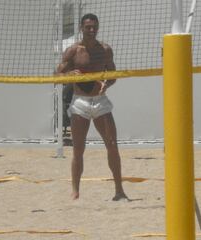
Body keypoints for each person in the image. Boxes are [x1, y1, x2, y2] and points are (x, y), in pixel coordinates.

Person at [56, 13, 127, 201]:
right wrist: (70, 74)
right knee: (78, 149)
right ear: (81, 28)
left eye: (94, 26)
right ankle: (75, 190)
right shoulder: (73, 51)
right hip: (80, 102)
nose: (91, 30)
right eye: (88, 27)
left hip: (100, 101)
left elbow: (113, 74)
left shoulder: (105, 50)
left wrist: (107, 83)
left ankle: (119, 190)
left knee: (112, 145)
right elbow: (57, 75)